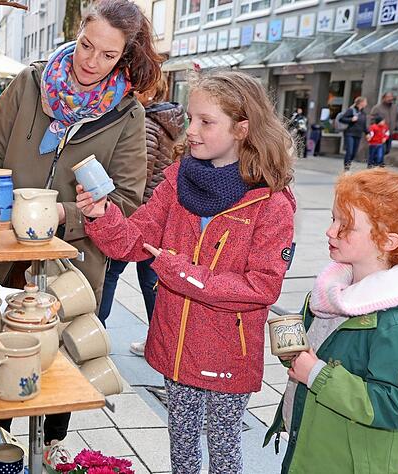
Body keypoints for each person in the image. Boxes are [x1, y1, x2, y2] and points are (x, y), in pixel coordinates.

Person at [0, 0, 160, 464]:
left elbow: (126, 201)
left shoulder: (127, 115)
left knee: (61, 357)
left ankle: (52, 446)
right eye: (86, 45)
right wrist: (2, 199)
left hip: (72, 261)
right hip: (4, 250)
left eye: (108, 55)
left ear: (125, 55)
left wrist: (63, 215)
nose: (91, 62)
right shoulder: (30, 83)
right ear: (77, 32)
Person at [78, 70, 296, 473]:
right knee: (181, 448)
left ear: (242, 129)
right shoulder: (179, 179)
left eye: (206, 122)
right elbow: (134, 240)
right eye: (191, 117)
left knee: (224, 454)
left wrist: (178, 270)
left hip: (227, 352)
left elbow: (261, 287)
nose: (190, 130)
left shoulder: (271, 203)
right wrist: (101, 214)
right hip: (175, 344)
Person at [265, 169, 398, 473]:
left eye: (346, 225)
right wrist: (295, 352)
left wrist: (316, 373)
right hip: (310, 450)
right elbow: (319, 354)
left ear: (388, 241)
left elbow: (397, 406)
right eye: (333, 219)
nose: (330, 231)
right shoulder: (331, 294)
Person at [96, 78, 185, 357]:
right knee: (153, 282)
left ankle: (96, 333)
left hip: (141, 215)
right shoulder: (172, 121)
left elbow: (136, 176)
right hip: (162, 216)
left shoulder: (145, 123)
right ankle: (161, 342)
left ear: (148, 92)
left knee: (110, 273)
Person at [338, 97, 368, 171]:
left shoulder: (363, 113)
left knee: (354, 153)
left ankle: (348, 164)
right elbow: (341, 119)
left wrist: (367, 133)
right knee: (350, 151)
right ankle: (346, 169)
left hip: (358, 135)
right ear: (361, 103)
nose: (366, 103)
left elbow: (364, 125)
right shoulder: (351, 110)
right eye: (365, 102)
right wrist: (351, 119)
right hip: (350, 134)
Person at [370, 92, 398, 156]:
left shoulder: (394, 107)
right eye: (388, 97)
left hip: (389, 132)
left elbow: (397, 117)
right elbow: (372, 119)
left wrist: (395, 125)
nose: (390, 98)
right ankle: (377, 161)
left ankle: (377, 159)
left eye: (391, 97)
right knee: (381, 150)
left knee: (387, 150)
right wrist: (376, 128)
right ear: (383, 98)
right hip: (380, 133)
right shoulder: (377, 108)